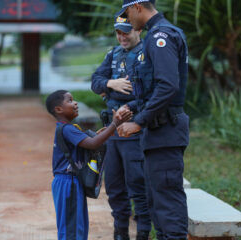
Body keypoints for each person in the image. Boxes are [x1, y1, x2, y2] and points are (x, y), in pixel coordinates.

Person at [115, 1, 190, 239]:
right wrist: (132, 107)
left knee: (167, 204)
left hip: (164, 131)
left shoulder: (160, 36)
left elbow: (168, 87)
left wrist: (139, 121)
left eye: (127, 13)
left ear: (137, 7)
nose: (128, 20)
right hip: (157, 134)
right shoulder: (156, 35)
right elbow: (153, 89)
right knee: (156, 203)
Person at [91, 16, 151, 240]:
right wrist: (110, 84)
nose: (121, 37)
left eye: (126, 32)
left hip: (134, 129)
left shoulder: (148, 54)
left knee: (137, 183)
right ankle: (120, 232)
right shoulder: (113, 54)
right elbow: (95, 81)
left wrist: (122, 103)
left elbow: (149, 94)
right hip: (111, 130)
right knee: (114, 185)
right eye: (118, 32)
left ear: (139, 30)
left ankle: (143, 231)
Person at [45, 90, 132, 240]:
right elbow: (93, 144)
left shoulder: (67, 129)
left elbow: (92, 140)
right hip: (68, 183)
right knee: (72, 230)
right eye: (70, 100)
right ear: (58, 109)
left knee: (76, 225)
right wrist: (114, 124)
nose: (75, 103)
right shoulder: (68, 130)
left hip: (70, 182)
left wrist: (107, 132)